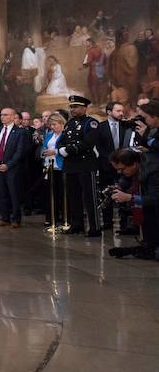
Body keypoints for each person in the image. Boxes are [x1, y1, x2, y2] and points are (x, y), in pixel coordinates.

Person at [57, 95, 101, 237]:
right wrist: (60, 149)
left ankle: (94, 227)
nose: (72, 109)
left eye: (75, 107)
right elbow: (62, 140)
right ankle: (76, 225)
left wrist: (68, 150)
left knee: (90, 198)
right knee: (73, 197)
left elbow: (88, 143)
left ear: (84, 108)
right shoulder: (69, 123)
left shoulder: (91, 123)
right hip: (70, 165)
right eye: (71, 107)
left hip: (85, 164)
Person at [108, 149, 159, 258]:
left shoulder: (153, 171)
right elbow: (127, 178)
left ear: (134, 164)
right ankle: (149, 246)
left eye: (122, 169)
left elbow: (155, 198)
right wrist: (119, 186)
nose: (119, 172)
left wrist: (130, 197)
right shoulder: (136, 165)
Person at [97, 101, 133, 232]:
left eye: (122, 111)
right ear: (109, 112)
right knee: (106, 193)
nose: (121, 113)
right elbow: (99, 146)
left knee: (124, 191)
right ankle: (107, 222)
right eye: (118, 111)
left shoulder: (126, 126)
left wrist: (121, 161)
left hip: (125, 166)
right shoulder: (100, 127)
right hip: (106, 166)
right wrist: (112, 161)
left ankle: (125, 224)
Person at [0, 108, 28, 228]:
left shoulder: (20, 132)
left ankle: (15, 219)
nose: (2, 117)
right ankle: (4, 218)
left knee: (14, 194)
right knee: (1, 194)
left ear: (12, 116)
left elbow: (20, 152)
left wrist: (8, 165)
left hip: (12, 169)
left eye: (5, 115)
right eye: (1, 115)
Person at [40, 112, 66, 227]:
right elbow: (43, 148)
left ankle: (64, 217)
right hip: (49, 167)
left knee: (62, 194)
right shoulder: (49, 135)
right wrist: (44, 152)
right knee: (50, 194)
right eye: (51, 125)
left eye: (54, 124)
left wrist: (54, 151)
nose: (52, 127)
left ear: (61, 123)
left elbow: (65, 150)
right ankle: (51, 217)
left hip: (61, 167)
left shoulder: (65, 135)